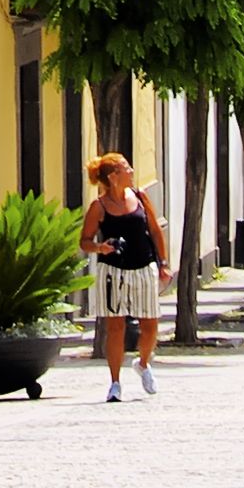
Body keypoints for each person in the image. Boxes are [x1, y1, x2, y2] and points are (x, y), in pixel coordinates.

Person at [79, 153, 168, 402]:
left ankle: (142, 363)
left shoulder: (139, 196)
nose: (131, 171)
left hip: (144, 267)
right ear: (113, 176)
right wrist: (100, 247)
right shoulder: (99, 206)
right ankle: (115, 382)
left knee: (150, 324)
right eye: (126, 168)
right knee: (115, 327)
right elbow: (84, 241)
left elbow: (154, 229)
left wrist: (163, 263)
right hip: (113, 271)